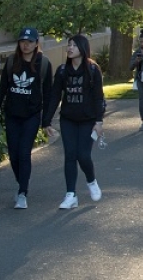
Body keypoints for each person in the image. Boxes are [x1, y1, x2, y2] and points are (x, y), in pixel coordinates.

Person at [0, 28, 54, 209]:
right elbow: (2, 88)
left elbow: (48, 93)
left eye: (29, 42)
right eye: (22, 41)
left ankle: (22, 192)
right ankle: (21, 181)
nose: (25, 45)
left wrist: (46, 120)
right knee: (14, 155)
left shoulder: (44, 64)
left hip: (32, 115)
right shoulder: (11, 62)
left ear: (36, 43)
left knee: (24, 152)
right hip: (12, 114)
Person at [44, 34, 106, 210]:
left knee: (83, 155)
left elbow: (98, 97)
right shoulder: (63, 71)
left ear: (83, 48)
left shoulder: (93, 70)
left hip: (88, 120)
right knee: (70, 155)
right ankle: (70, 195)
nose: (70, 48)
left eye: (74, 45)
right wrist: (47, 121)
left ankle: (91, 181)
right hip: (68, 119)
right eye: (68, 45)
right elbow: (55, 96)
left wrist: (99, 121)